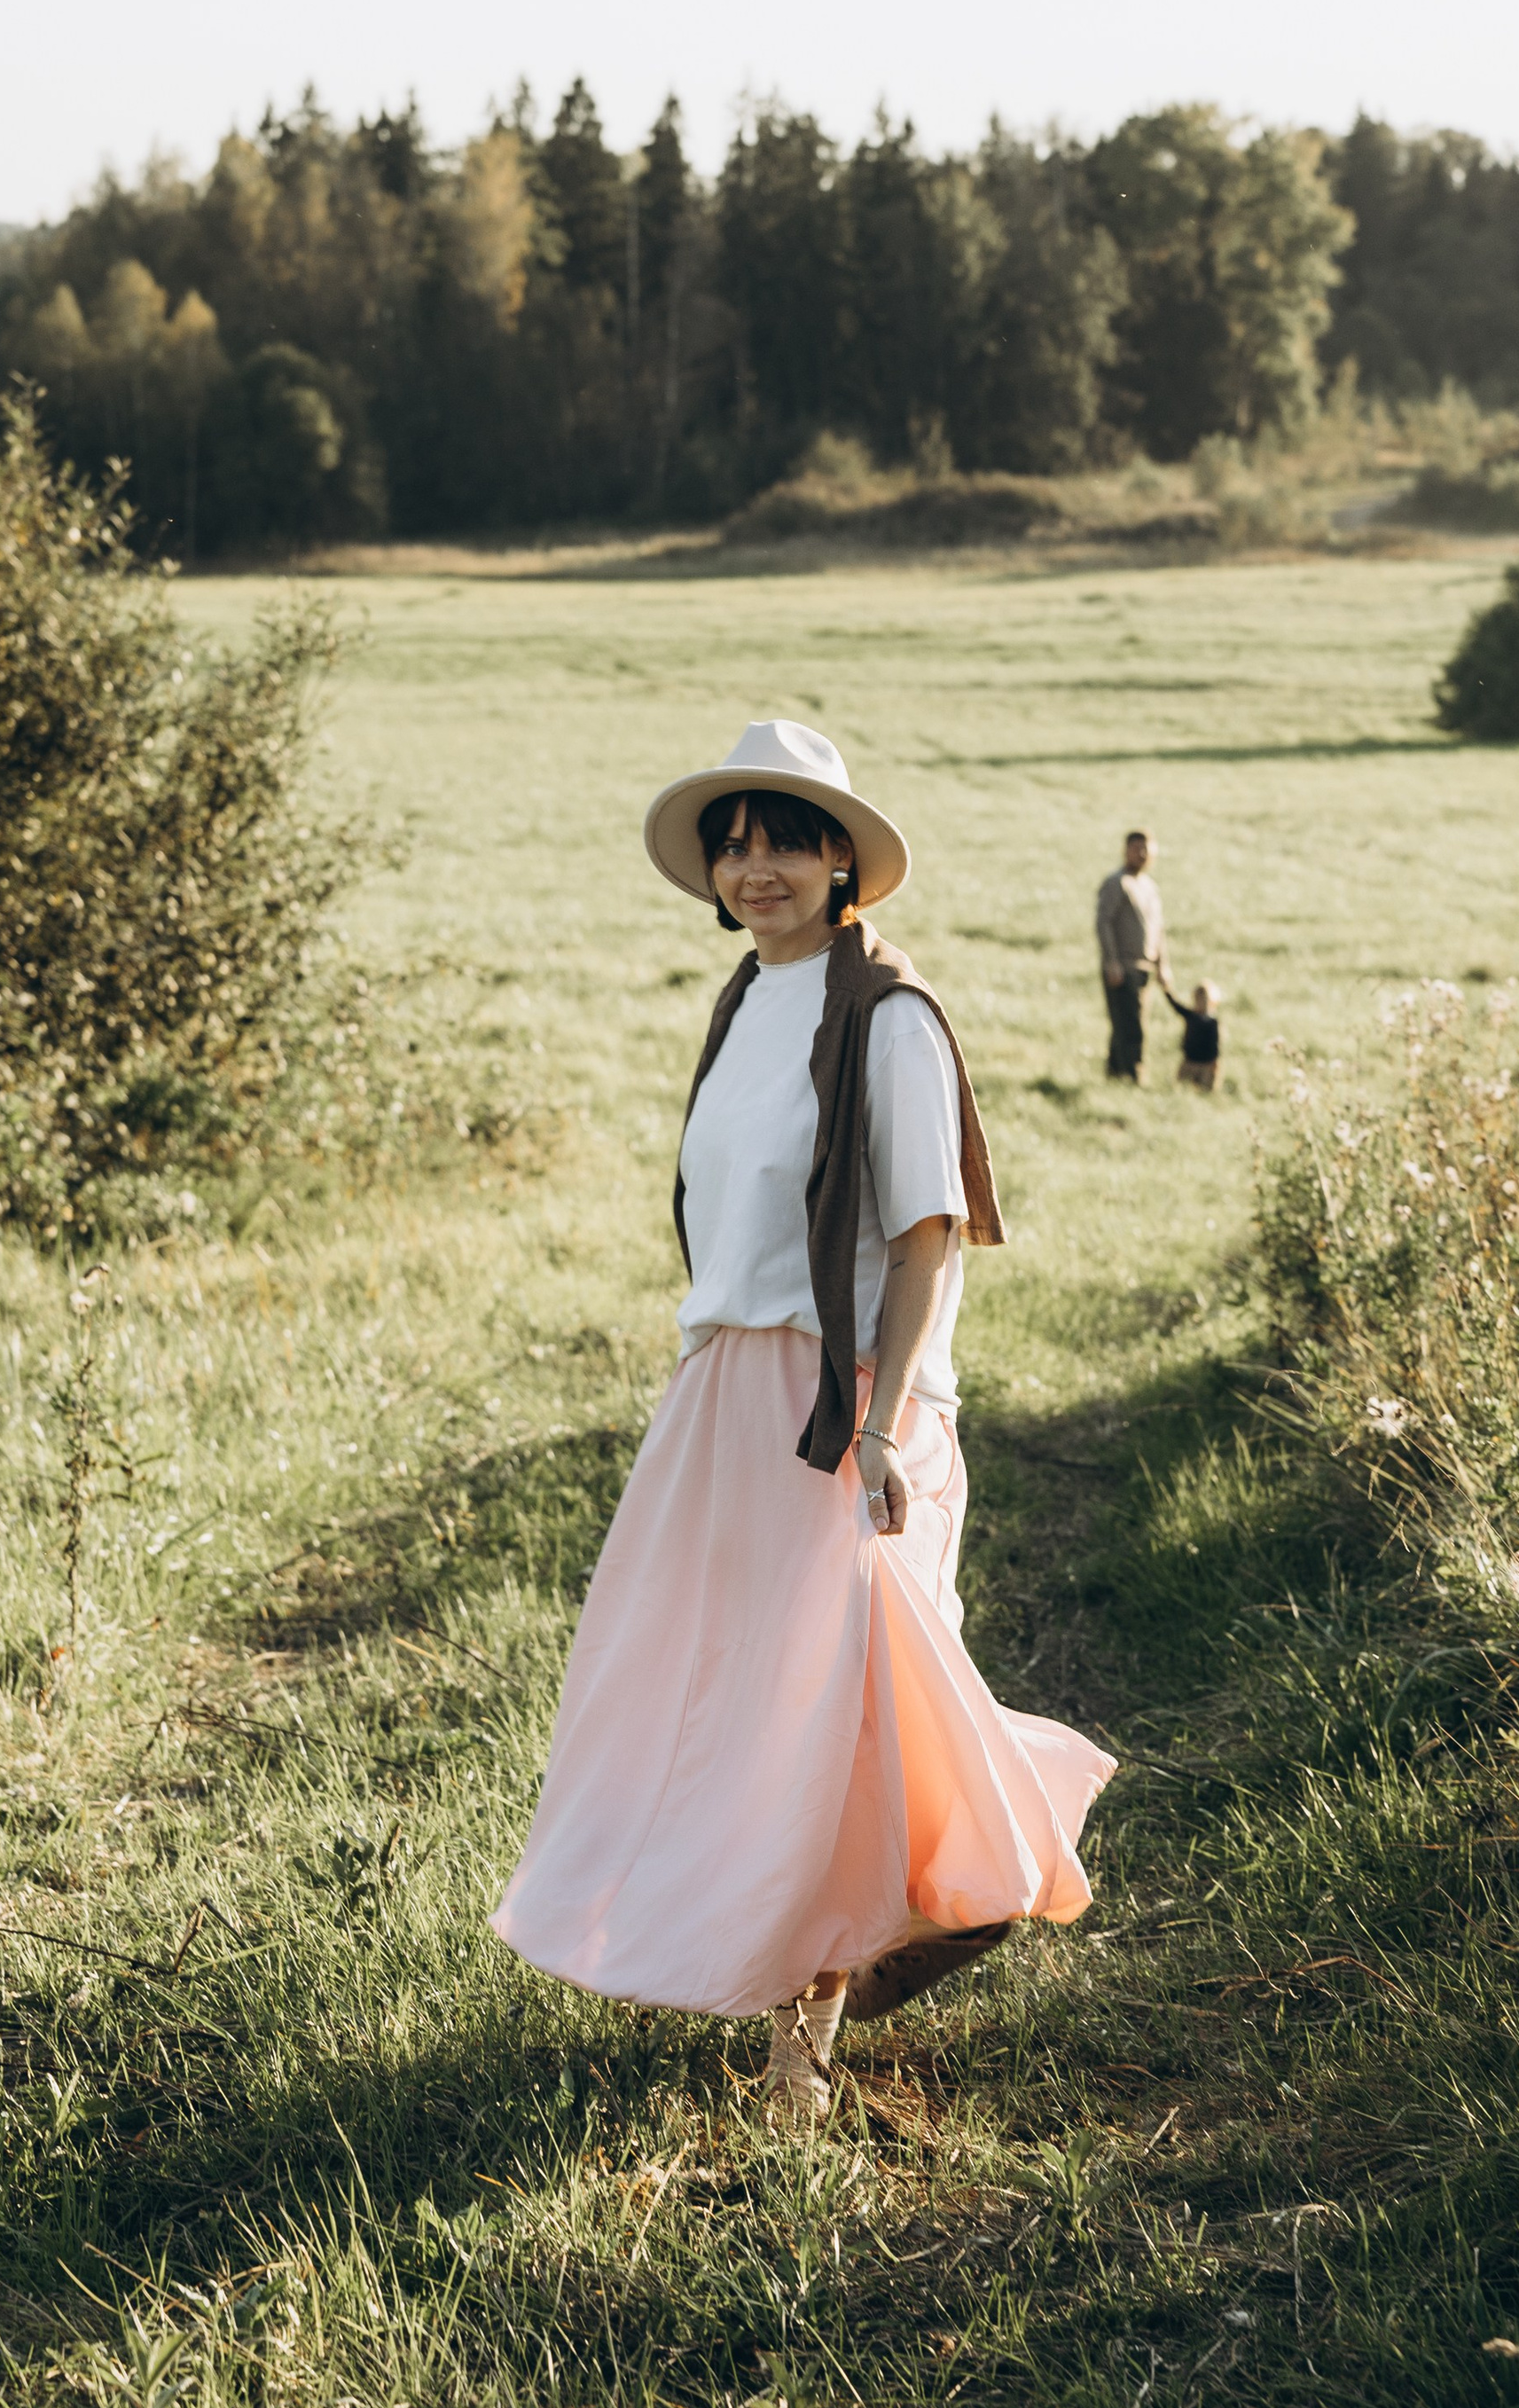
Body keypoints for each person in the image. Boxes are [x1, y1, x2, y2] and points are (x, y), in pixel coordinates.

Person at [493, 718, 1118, 2129]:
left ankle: (812, 2051)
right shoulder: (745, 1000)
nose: (755, 864)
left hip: (835, 1407)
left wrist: (881, 1425)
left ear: (844, 857)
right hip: (726, 1389)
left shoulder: (889, 1015)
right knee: (700, 1694)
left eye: (784, 837)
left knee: (819, 1715)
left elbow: (927, 1240)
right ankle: (907, 1898)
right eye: (734, 841)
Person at [1095, 829, 1169, 1081]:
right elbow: (1104, 923)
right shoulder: (1117, 883)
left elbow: (1159, 929)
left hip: (1144, 966)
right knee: (1130, 1026)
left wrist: (1163, 965)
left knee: (1131, 1022)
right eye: (1137, 848)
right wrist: (1111, 961)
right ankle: (1133, 1076)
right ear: (1125, 850)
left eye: (1147, 849)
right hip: (1123, 966)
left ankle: (1115, 1076)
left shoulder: (1149, 886)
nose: (1143, 854)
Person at [1167, 979, 1221, 1092]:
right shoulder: (1191, 1016)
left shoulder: (1213, 1022)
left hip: (1206, 1064)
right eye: (1198, 999)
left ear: (1212, 1002)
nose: (1201, 1003)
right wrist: (1166, 989)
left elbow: (1215, 1045)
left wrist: (1215, 1062)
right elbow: (1175, 1005)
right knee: (1181, 1088)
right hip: (1189, 1061)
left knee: (1205, 1091)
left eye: (1204, 1000)